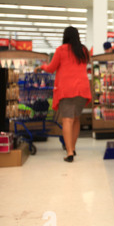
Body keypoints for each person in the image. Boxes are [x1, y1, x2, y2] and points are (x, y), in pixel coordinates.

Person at [35, 26, 92, 163]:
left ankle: (70, 152)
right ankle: (72, 147)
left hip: (67, 89)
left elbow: (51, 68)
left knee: (67, 120)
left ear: (65, 36)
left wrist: (41, 67)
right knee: (76, 119)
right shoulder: (83, 50)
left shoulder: (61, 50)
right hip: (82, 89)